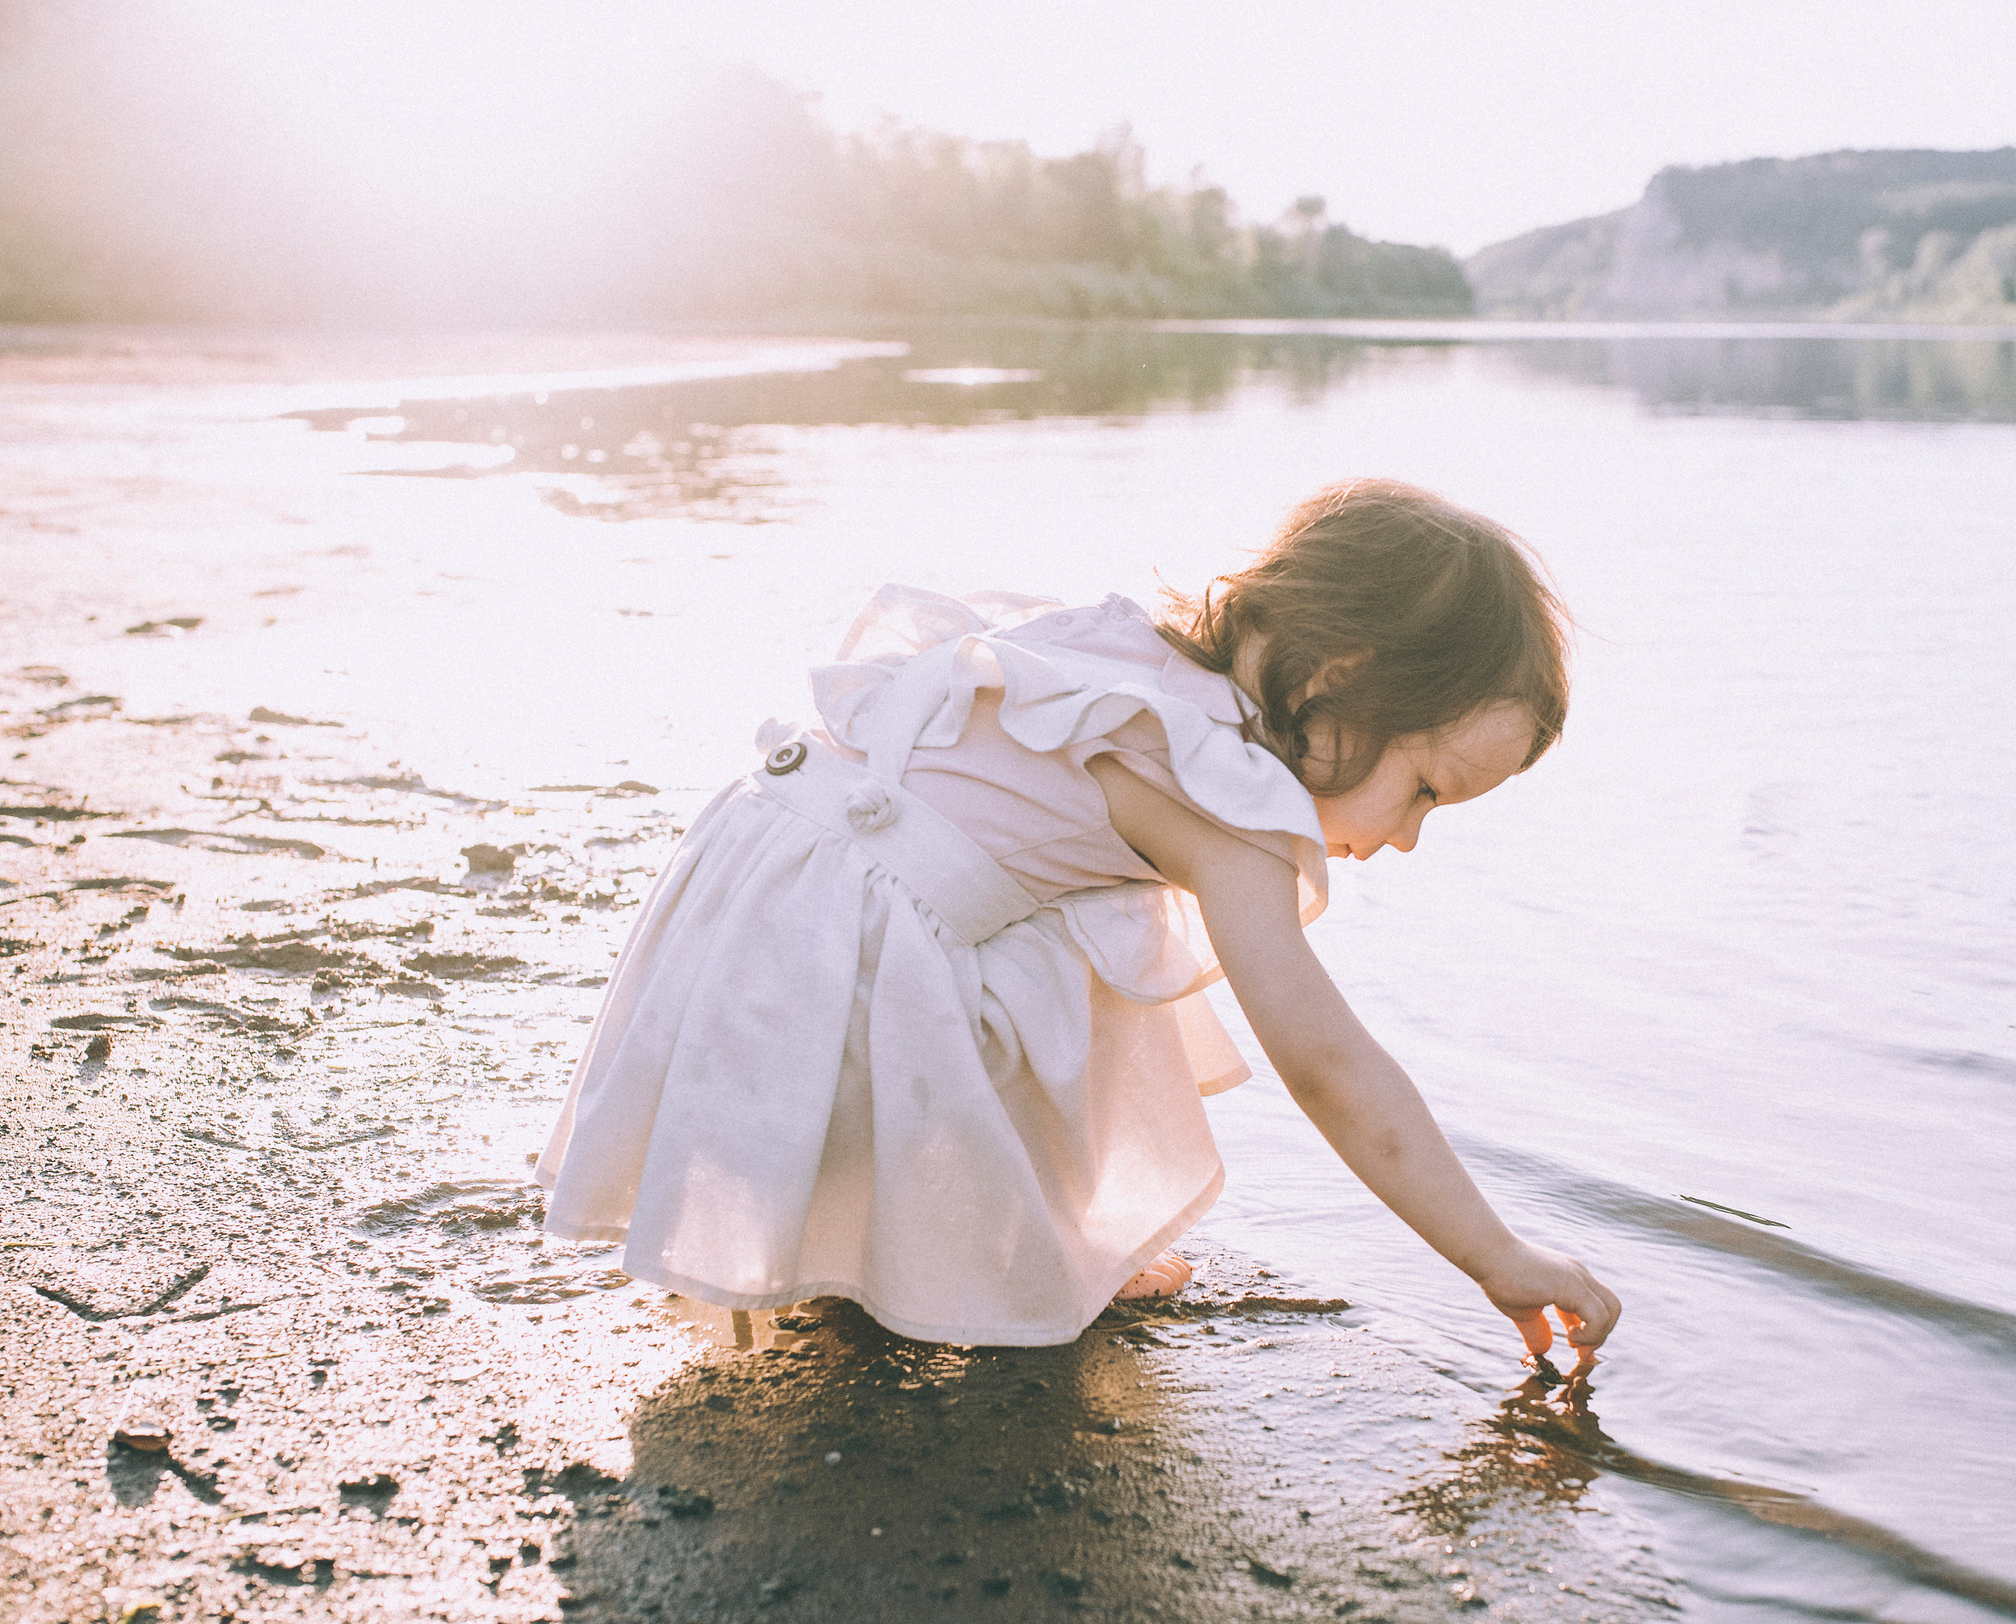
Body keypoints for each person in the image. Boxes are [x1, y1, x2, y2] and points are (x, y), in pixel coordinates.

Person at [538, 478, 1621, 1368]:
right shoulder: (1220, 799)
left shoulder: (1125, 657)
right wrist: (1493, 1251)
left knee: (1089, 929)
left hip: (761, 892)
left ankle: (925, 1248)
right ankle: (939, 1265)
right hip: (841, 950)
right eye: (1425, 787)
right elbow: (1327, 1061)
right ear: (1343, 676)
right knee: (1096, 953)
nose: (1408, 838)